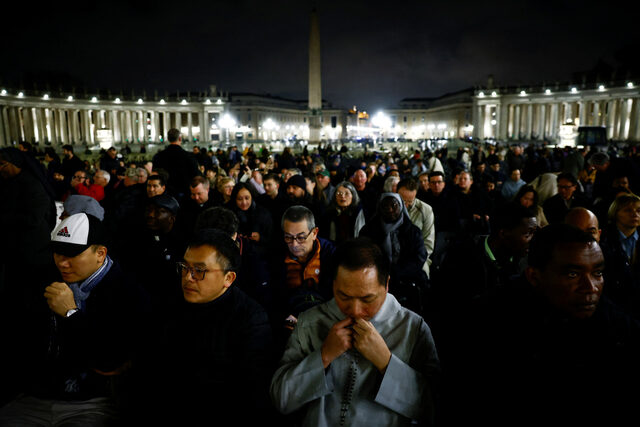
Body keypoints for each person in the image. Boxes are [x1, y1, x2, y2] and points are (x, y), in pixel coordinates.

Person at [443, 223, 640, 426]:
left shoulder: (610, 320)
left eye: (597, 273)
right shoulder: (488, 324)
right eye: (573, 274)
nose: (590, 287)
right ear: (534, 276)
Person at [270, 237, 440, 427]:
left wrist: (386, 362)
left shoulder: (412, 328)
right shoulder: (310, 322)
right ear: (334, 285)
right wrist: (323, 356)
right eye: (344, 296)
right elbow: (281, 399)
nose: (355, 310)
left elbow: (432, 408)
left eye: (367, 299)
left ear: (386, 286)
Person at [0, 213, 150, 425]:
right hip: (34, 397)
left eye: (71, 255)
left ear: (100, 253)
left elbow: (110, 358)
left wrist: (71, 314)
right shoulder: (41, 280)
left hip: (93, 401)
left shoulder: (128, 293)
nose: (62, 263)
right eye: (57, 253)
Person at [134, 228, 277, 425]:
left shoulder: (251, 320)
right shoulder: (169, 303)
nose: (187, 277)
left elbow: (251, 395)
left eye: (199, 271)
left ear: (229, 278)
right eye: (185, 267)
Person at [269, 205, 336, 350]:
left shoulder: (332, 255)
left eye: (301, 237)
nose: (294, 244)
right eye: (288, 237)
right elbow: (272, 296)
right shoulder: (276, 256)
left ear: (314, 233)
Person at [359, 193, 429, 315]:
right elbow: (364, 256)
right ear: (379, 208)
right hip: (377, 277)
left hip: (407, 275)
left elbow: (419, 257)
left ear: (401, 207)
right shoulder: (368, 231)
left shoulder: (412, 231)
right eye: (385, 206)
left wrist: (398, 272)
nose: (390, 209)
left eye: (394, 205)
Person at [397, 177, 435, 280]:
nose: (405, 205)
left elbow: (428, 243)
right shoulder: (389, 207)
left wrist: (416, 262)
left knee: (422, 275)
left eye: (410, 201)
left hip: (418, 256)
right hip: (395, 257)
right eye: (402, 200)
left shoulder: (425, 210)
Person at [151, 128, 202, 203]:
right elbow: (196, 175)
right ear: (180, 138)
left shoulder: (158, 156)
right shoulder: (189, 156)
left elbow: (155, 175)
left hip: (164, 194)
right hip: (185, 194)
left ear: (168, 139)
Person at [226, 181, 274, 253]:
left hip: (259, 255)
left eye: (247, 198)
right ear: (235, 199)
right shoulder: (229, 214)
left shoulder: (263, 213)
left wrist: (260, 238)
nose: (244, 202)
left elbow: (272, 239)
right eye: (240, 199)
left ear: (252, 197)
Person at [318, 181, 366, 245]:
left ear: (353, 196)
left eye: (346, 193)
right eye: (339, 193)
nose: (342, 196)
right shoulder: (329, 213)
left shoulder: (359, 212)